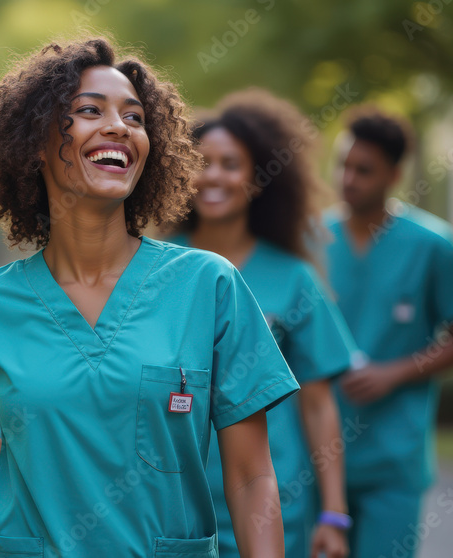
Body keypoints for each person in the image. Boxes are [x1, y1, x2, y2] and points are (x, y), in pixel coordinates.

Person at [0, 38, 300, 557]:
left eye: (134, 117)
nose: (119, 126)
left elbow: (252, 477)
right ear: (36, 144)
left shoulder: (208, 286)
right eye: (90, 110)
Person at [171, 89, 357, 558]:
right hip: (173, 504)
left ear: (258, 181)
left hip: (272, 502)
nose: (214, 175)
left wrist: (334, 513)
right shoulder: (154, 269)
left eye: (231, 164)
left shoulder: (294, 278)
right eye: (201, 162)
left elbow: (319, 403)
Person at [325, 108, 453, 558]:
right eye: (343, 165)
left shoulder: (432, 245)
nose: (348, 179)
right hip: (315, 460)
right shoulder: (310, 240)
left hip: (393, 461)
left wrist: (394, 372)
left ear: (394, 175)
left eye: (364, 170)